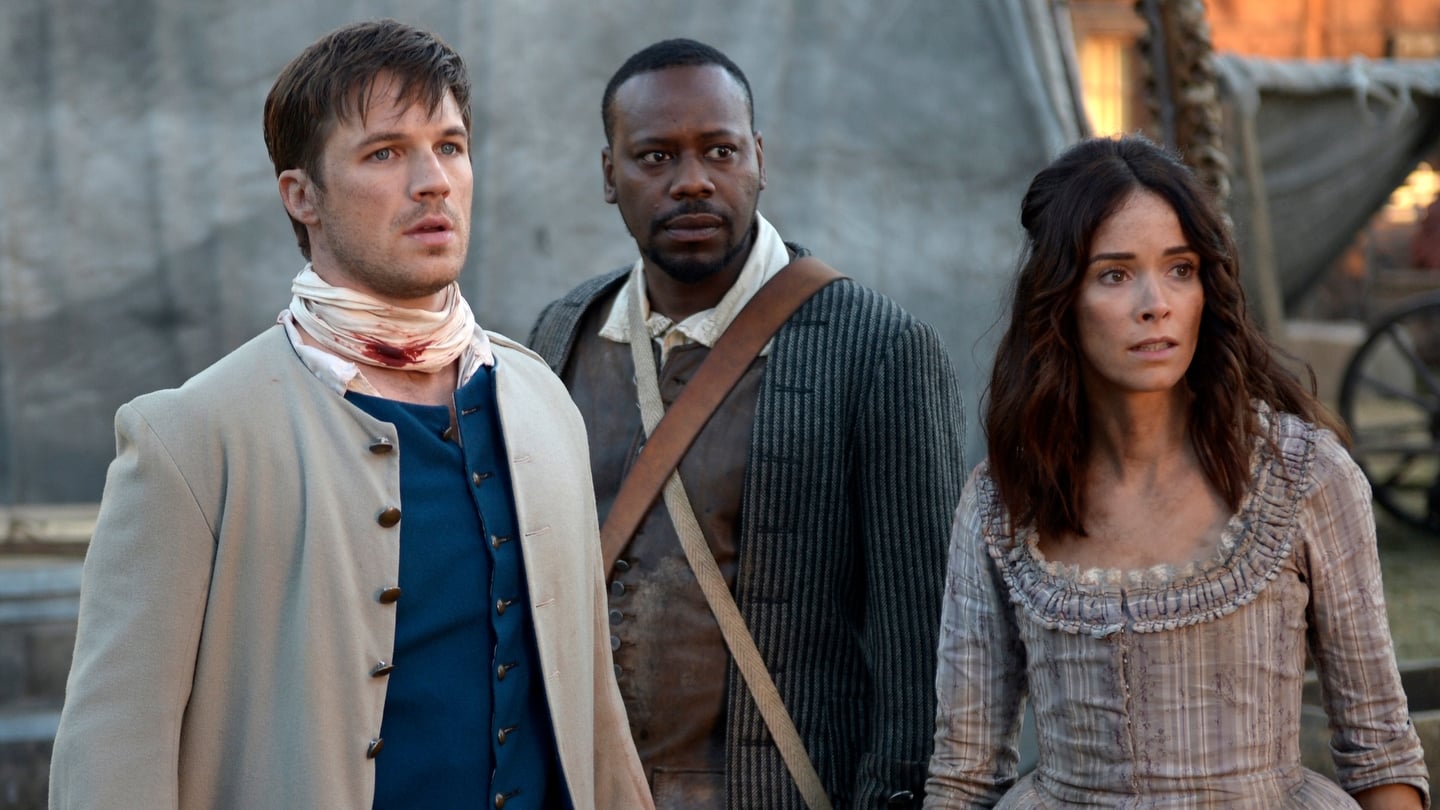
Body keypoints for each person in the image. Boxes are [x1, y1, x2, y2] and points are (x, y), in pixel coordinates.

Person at [49, 19, 650, 810]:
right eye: (385, 153)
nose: (433, 181)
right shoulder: (194, 440)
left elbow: (594, 716)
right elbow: (113, 756)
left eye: (450, 146)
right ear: (302, 196)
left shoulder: (540, 402)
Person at [924, 135, 1430, 809]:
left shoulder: (1305, 476)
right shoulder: (1004, 500)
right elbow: (964, 774)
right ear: (1060, 299)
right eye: (1114, 274)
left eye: (1180, 269)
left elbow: (1381, 749)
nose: (1154, 303)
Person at [527, 38, 966, 809]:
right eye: (655, 156)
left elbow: (924, 654)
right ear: (609, 175)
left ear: (759, 158)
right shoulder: (562, 334)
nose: (693, 180)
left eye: (720, 151)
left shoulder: (878, 348)